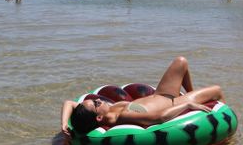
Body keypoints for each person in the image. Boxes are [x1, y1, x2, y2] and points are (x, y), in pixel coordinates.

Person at [60, 57, 225, 137]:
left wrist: (64, 125)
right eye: (96, 103)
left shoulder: (106, 111)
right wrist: (188, 106)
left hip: (160, 94)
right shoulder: (120, 116)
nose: (99, 99)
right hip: (171, 102)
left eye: (95, 99)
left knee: (181, 61)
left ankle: (191, 93)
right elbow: (158, 118)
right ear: (99, 117)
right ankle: (227, 134)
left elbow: (69, 103)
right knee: (216, 90)